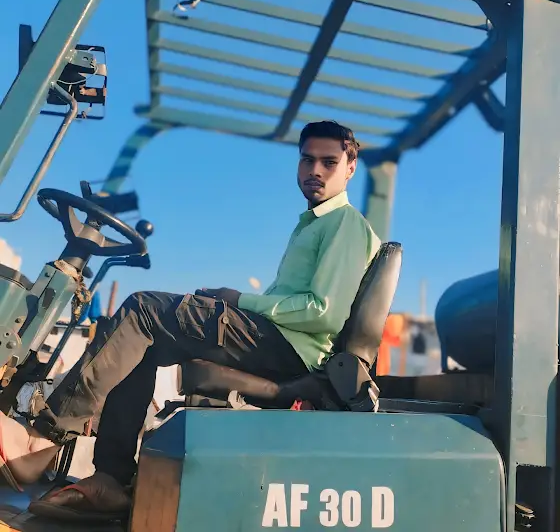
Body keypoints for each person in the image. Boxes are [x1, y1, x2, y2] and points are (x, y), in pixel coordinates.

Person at [0, 120, 381, 521]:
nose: (315, 170)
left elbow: (324, 312)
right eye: (307, 160)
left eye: (328, 162)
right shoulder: (314, 223)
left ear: (349, 168)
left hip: (291, 349)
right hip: (278, 339)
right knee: (140, 343)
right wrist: (237, 303)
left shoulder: (345, 224)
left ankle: (40, 439)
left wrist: (240, 300)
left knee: (143, 311)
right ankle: (110, 478)